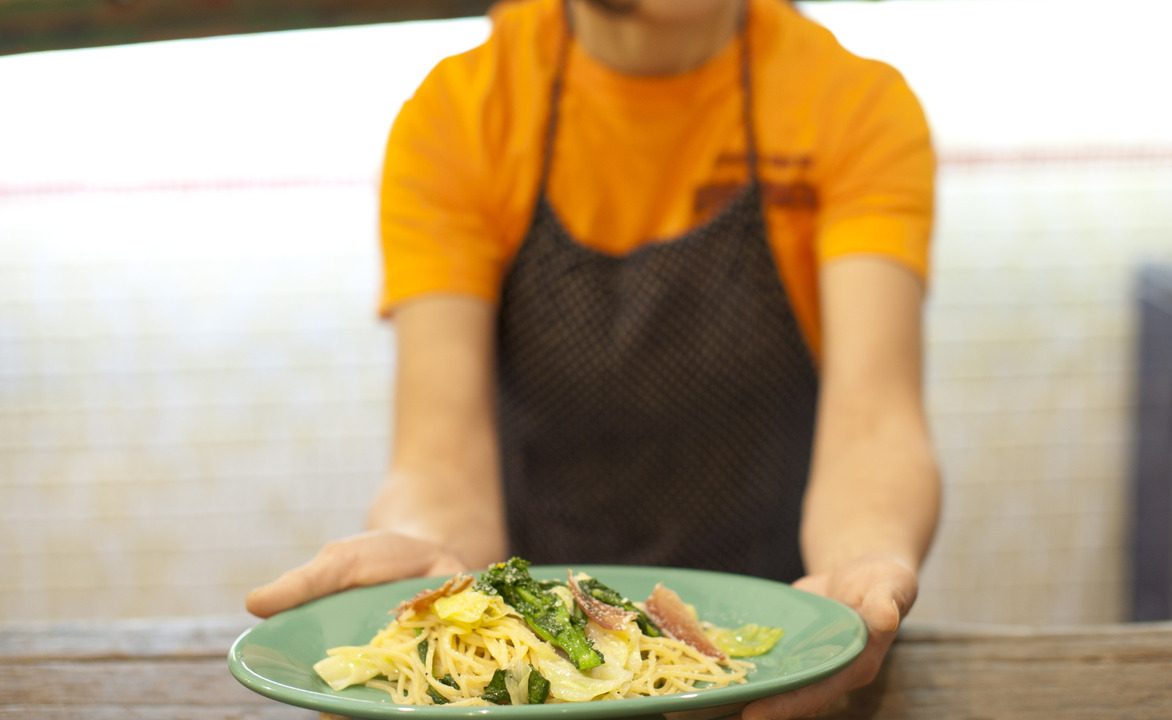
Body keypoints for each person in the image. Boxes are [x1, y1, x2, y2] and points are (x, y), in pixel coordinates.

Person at [246, 0, 941, 716]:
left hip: (778, 656)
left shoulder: (851, 102)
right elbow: (440, 458)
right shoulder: (464, 112)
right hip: (538, 670)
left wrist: (859, 570)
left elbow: (874, 425)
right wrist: (427, 560)